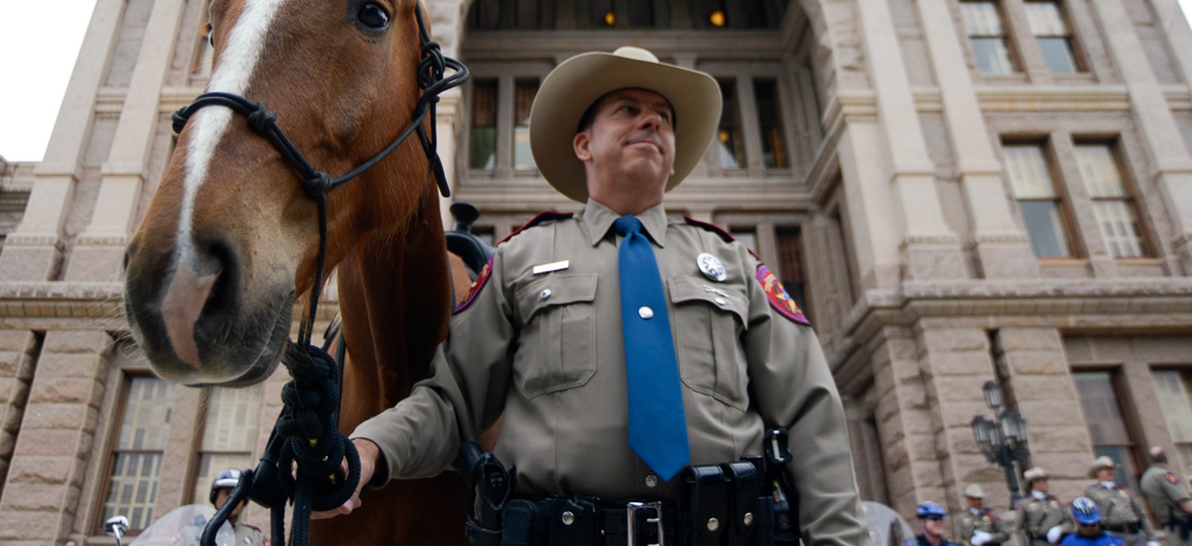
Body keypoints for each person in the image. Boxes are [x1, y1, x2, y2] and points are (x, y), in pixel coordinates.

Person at [322, 46, 870, 546]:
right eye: (628, 110)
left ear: (673, 157)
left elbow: (810, 411)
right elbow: (450, 402)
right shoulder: (520, 261)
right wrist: (369, 450)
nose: (651, 119)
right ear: (583, 144)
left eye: (664, 117)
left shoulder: (735, 266)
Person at [1085, 456, 1154, 546]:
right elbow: (1089, 517)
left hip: (1135, 535)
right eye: (1106, 469)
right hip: (1112, 535)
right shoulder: (1091, 492)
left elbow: (1141, 514)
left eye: (1112, 469)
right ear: (1098, 472)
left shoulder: (1124, 490)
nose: (1110, 472)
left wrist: (1152, 539)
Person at [1139, 447, 1192, 546]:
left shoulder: (1146, 478)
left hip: (1169, 530)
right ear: (1166, 459)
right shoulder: (1165, 475)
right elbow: (1189, 507)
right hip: (1184, 531)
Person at [1015, 468, 1074, 546]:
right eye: (1043, 481)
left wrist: (1060, 529)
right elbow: (1019, 529)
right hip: (1039, 541)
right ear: (1035, 483)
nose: (1047, 484)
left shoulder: (1055, 500)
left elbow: (1069, 522)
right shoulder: (1024, 503)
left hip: (1061, 540)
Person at [210, 469, 267, 546]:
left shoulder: (255, 536)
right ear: (214, 497)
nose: (231, 499)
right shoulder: (195, 531)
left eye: (237, 494)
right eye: (227, 493)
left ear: (244, 501)